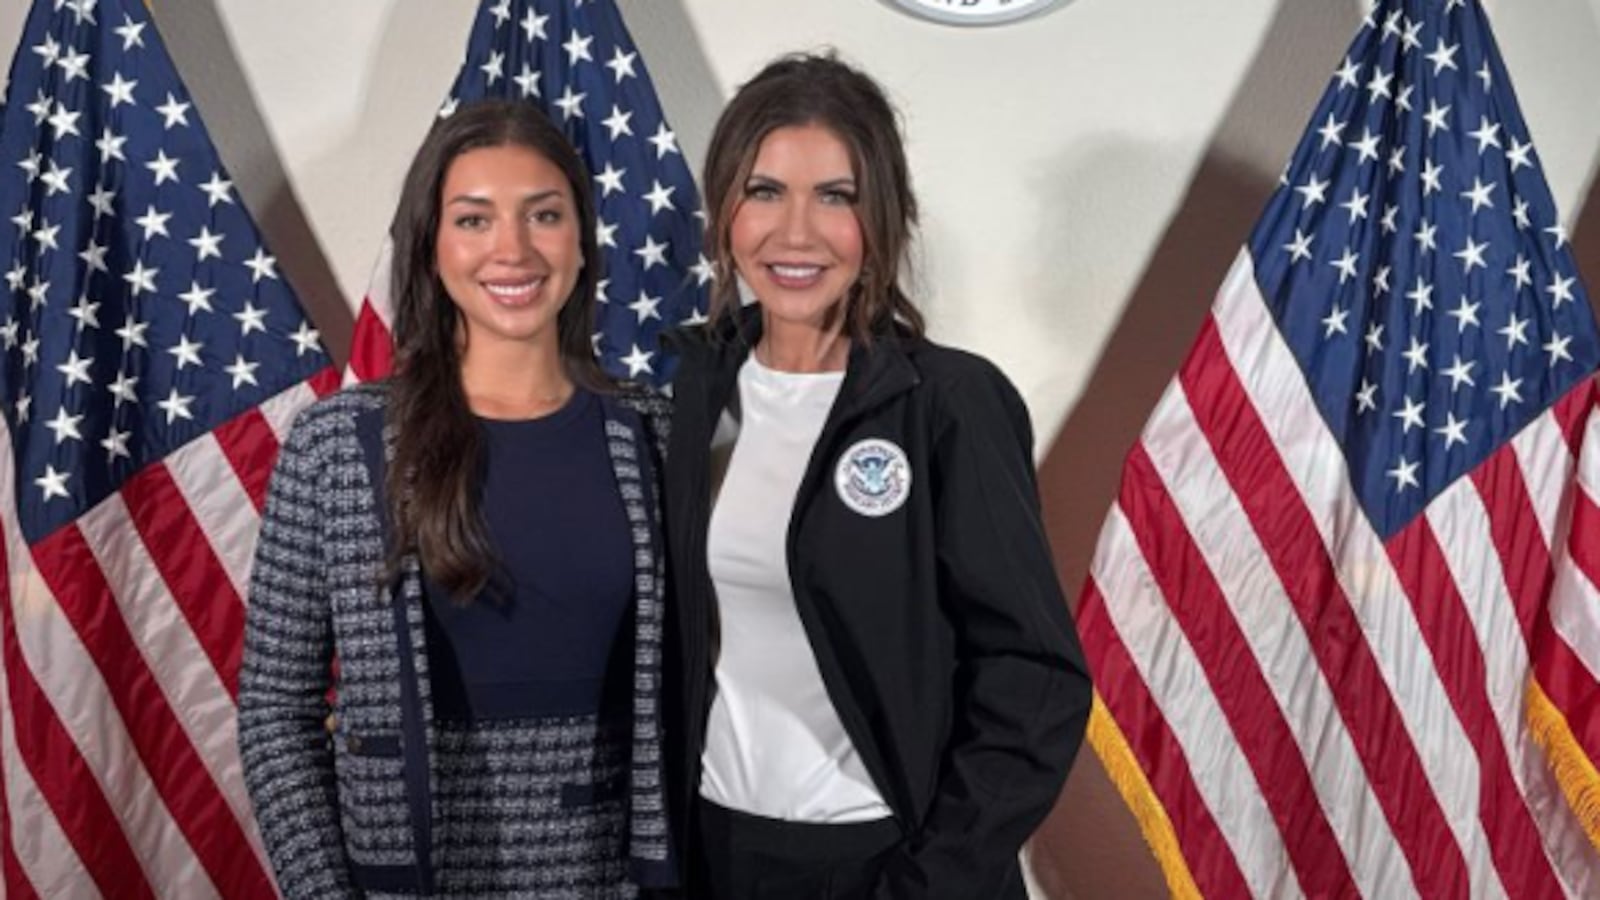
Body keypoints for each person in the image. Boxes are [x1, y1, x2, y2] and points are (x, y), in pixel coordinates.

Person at [662, 53, 1093, 900]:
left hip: (883, 864)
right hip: (714, 855)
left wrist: (931, 883)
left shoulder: (949, 404)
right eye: (764, 191)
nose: (796, 233)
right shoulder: (685, 389)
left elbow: (1035, 679)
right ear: (723, 211)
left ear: (884, 216)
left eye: (836, 195)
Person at [239, 99, 672, 899]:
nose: (512, 249)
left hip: (612, 875)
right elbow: (274, 713)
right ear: (432, 248)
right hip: (400, 879)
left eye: (543, 214)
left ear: (581, 241)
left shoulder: (653, 433)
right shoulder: (340, 443)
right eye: (473, 220)